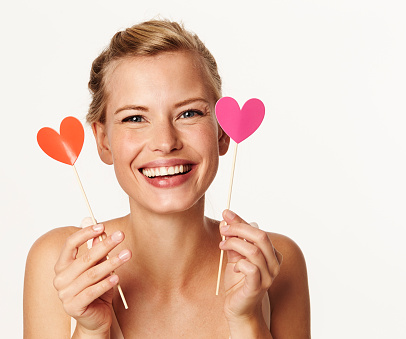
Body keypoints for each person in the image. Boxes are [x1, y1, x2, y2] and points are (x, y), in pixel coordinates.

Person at [24, 19, 310, 338]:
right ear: (103, 141)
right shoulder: (62, 263)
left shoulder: (276, 265)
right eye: (135, 118)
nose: (165, 141)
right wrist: (92, 330)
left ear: (222, 133)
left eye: (189, 113)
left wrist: (247, 319)